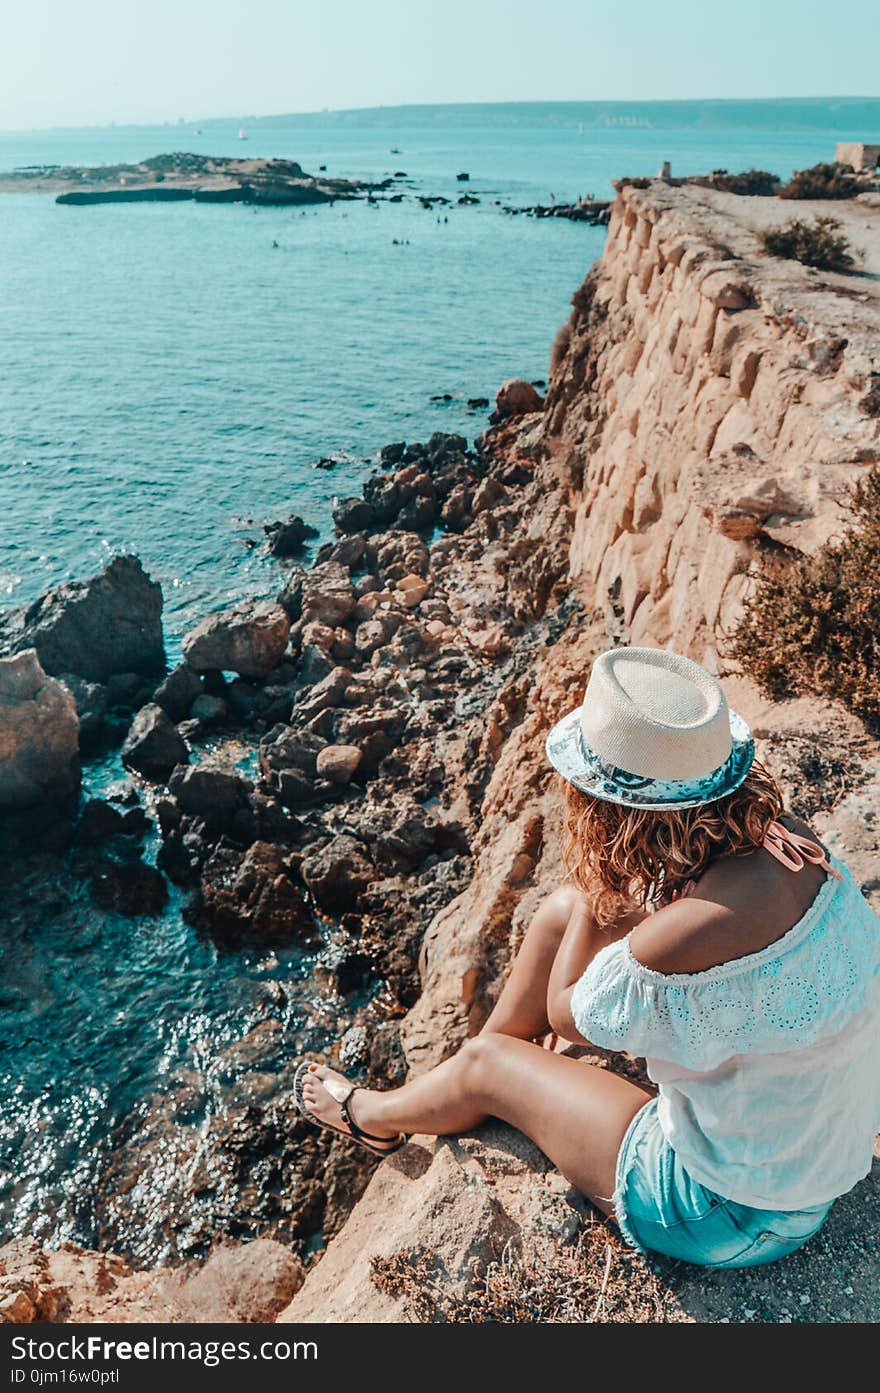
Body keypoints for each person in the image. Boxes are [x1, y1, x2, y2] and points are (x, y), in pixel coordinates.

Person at [295, 647, 880, 1268]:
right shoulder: (788, 839)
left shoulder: (684, 935)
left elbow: (568, 1012)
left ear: (613, 811)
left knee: (499, 1046)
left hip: (727, 1211)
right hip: (807, 1160)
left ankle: (377, 1116)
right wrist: (590, 903)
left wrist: (601, 894)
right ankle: (473, 1088)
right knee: (556, 914)